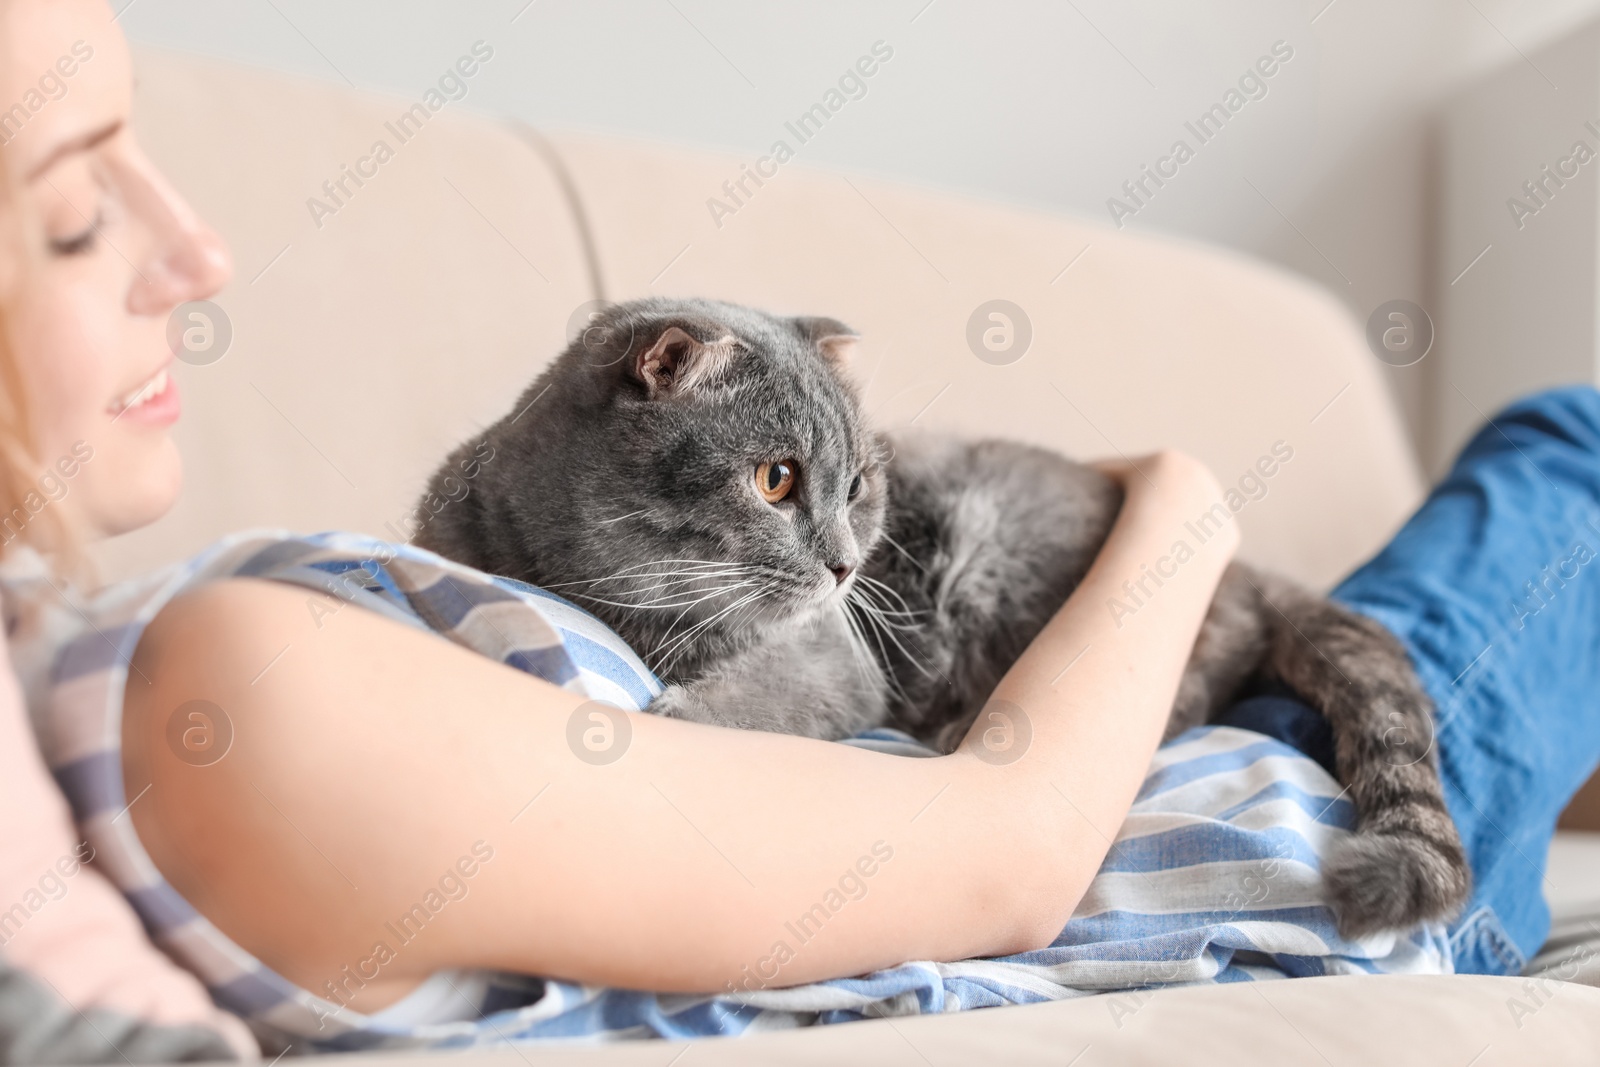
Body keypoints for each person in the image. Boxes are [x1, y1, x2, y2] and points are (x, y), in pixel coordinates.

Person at [1, 0, 1597, 1059]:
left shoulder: (122, 684)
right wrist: (1185, 502)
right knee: (1574, 446)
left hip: (1203, 764)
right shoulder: (242, 704)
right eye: (75, 214)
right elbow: (1014, 856)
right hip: (1293, 855)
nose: (197, 252)